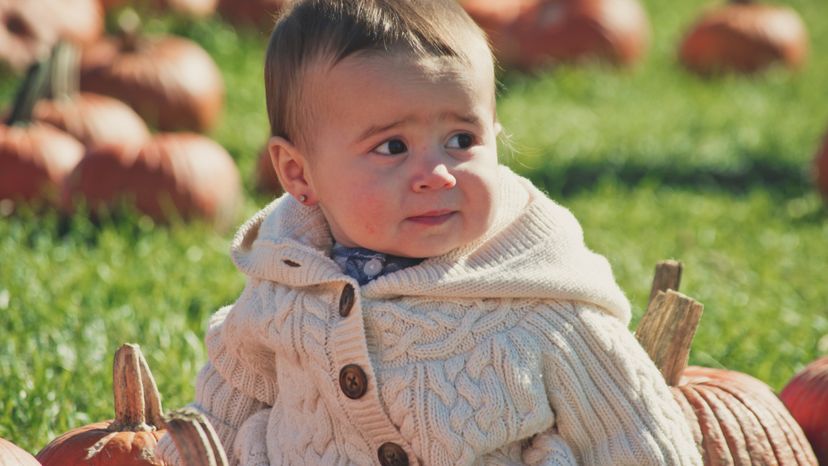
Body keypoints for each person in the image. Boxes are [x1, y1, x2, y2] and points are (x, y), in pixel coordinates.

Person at [156, 0, 703, 464]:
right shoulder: (286, 274)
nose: (437, 174)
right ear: (300, 174)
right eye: (392, 147)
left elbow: (631, 429)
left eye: (462, 140)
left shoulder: (539, 302)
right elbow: (230, 401)